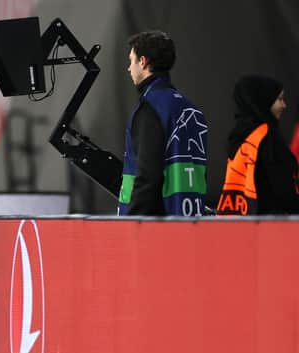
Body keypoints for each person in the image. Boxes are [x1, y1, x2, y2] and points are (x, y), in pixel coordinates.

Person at [118, 31, 209, 216]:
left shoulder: (150, 108)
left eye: (131, 61)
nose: (129, 68)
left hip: (158, 227)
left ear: (142, 62)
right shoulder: (190, 109)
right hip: (193, 221)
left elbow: (148, 176)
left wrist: (132, 224)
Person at [216, 75, 299, 214]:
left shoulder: (238, 137)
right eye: (279, 99)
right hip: (271, 225)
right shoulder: (268, 138)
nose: (284, 105)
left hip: (239, 223)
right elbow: (284, 191)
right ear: (264, 101)